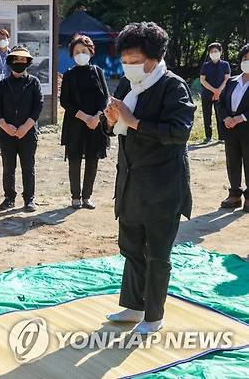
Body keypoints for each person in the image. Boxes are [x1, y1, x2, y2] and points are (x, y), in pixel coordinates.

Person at [102, 22, 195, 334]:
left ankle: (153, 315)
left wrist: (135, 121)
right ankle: (133, 305)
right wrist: (111, 121)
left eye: (134, 59)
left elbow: (179, 133)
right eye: (124, 60)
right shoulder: (127, 86)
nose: (128, 66)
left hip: (162, 186)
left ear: (154, 58)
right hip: (129, 181)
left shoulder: (173, 86)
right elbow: (115, 127)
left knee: (156, 253)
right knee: (130, 246)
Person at [59, 34, 110, 210]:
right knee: (74, 159)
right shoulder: (69, 74)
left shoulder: (98, 71)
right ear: (72, 54)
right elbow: (65, 101)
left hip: (96, 123)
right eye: (76, 51)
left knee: (92, 159)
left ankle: (87, 196)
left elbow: (105, 97)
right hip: (75, 123)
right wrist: (84, 117)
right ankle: (75, 197)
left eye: (83, 51)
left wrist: (96, 117)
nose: (80, 54)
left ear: (90, 52)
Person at [0, 46, 43, 212]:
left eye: (23, 60)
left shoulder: (34, 82)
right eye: (16, 59)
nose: (20, 62)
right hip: (6, 133)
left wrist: (25, 127)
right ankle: (9, 197)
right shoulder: (2, 84)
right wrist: (5, 126)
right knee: (8, 168)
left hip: (28, 133)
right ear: (10, 61)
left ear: (28, 62)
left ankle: (29, 199)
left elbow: (38, 107)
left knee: (28, 168)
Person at [217, 43, 249, 212]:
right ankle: (234, 194)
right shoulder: (232, 81)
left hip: (246, 128)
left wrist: (241, 117)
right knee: (233, 161)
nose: (247, 61)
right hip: (230, 128)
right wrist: (227, 117)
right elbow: (220, 103)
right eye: (245, 58)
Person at [199, 42, 231, 144]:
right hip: (207, 94)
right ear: (209, 53)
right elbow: (202, 80)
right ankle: (208, 137)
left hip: (221, 95)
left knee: (220, 115)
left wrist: (219, 91)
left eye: (216, 51)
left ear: (220, 52)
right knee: (207, 115)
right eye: (212, 51)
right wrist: (214, 90)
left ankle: (222, 137)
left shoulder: (225, 64)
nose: (214, 53)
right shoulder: (205, 65)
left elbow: (227, 79)